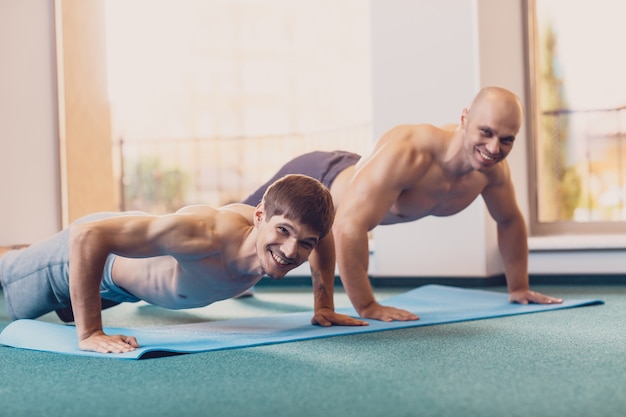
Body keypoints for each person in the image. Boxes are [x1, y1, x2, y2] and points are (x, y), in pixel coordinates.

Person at [242, 86, 564, 322]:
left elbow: (509, 220)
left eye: (507, 139)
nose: (494, 147)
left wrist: (519, 287)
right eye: (486, 132)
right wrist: (367, 306)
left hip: (357, 182)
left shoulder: (492, 173)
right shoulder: (410, 151)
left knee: (246, 268)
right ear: (464, 118)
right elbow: (348, 225)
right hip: (320, 176)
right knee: (236, 233)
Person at [0, 174, 367, 354]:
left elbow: (326, 235)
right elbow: (87, 237)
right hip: (75, 263)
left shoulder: (297, 237)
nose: (290, 251)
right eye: (283, 231)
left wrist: (324, 305)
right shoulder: (205, 234)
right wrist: (90, 332)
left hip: (125, 287)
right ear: (259, 216)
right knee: (7, 280)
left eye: (305, 242)